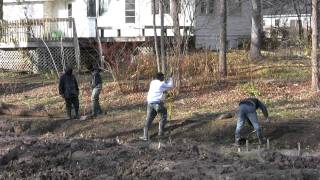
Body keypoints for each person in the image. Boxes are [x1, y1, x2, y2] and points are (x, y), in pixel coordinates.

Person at [140, 72, 174, 141]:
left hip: (150, 103)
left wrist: (166, 82)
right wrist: (170, 78)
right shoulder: (161, 84)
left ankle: (145, 136)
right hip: (157, 104)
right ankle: (161, 132)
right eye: (163, 77)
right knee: (163, 116)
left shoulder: (152, 82)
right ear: (161, 78)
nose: (163, 78)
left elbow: (162, 87)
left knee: (149, 119)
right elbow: (170, 85)